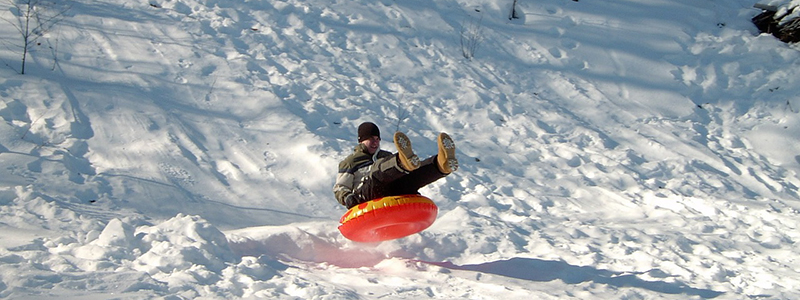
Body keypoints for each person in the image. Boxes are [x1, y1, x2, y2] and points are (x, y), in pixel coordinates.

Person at [333, 122, 458, 209]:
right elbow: (340, 187)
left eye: (377, 139)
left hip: (389, 194)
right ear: (361, 140)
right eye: (371, 138)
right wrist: (347, 197)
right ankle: (402, 162)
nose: (375, 142)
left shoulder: (385, 155)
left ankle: (440, 164)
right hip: (365, 198)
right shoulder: (350, 162)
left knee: (409, 177)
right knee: (377, 172)